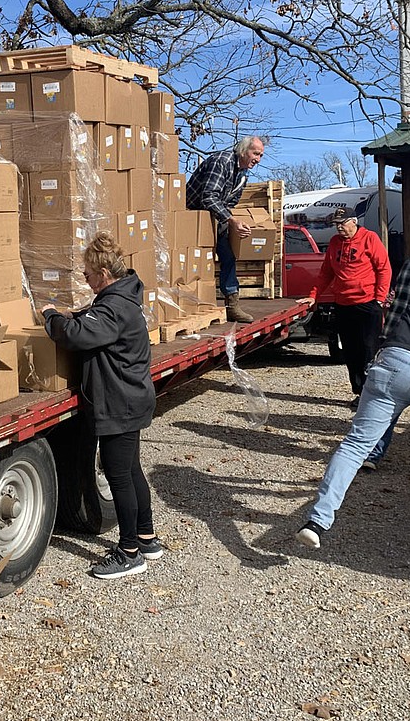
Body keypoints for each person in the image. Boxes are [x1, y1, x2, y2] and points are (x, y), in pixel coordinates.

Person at [296, 220, 410, 550]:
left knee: (355, 443)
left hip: (393, 358)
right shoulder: (335, 245)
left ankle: (318, 520)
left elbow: (396, 293)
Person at [40, 232, 160, 580]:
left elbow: (79, 335)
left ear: (104, 273)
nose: (85, 279)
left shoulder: (114, 307)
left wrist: (51, 318)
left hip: (118, 402)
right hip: (130, 398)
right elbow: (91, 318)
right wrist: (72, 314)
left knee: (119, 475)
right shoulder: (120, 298)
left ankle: (129, 552)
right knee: (131, 470)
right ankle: (147, 537)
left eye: (88, 275)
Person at [298, 206, 391, 405]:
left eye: (342, 223)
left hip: (367, 303)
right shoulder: (334, 243)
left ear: (354, 222)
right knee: (350, 351)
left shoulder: (370, 238)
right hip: (343, 303)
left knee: (369, 350)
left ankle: (372, 396)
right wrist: (314, 295)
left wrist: (379, 299)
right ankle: (359, 393)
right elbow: (326, 273)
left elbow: (384, 268)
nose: (339, 228)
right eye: (336, 224)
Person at [185, 135, 265, 323]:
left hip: (213, 217)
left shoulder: (243, 173)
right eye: (256, 153)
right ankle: (189, 302)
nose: (258, 159)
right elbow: (208, 197)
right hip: (193, 215)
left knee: (228, 256)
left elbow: (230, 202)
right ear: (243, 151)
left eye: (261, 155)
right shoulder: (222, 161)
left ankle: (232, 305)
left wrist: (235, 224)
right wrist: (232, 220)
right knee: (194, 260)